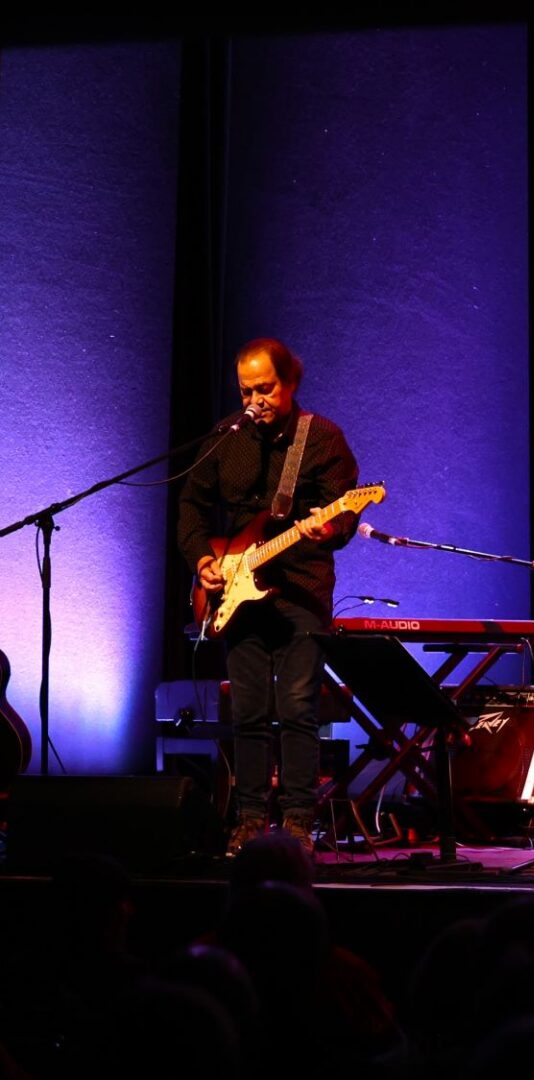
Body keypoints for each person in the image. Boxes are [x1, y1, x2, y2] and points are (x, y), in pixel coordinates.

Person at [179, 338, 360, 855]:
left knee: (299, 707)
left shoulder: (321, 437)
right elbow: (191, 506)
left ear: (290, 382)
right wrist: (203, 561)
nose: (255, 400)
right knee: (249, 711)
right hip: (237, 592)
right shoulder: (226, 437)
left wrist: (331, 526)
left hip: (301, 588)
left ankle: (299, 823)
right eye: (246, 391)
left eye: (265, 389)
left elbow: (346, 510)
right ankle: (250, 820)